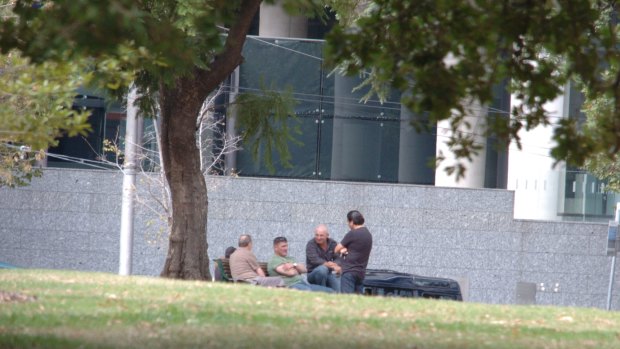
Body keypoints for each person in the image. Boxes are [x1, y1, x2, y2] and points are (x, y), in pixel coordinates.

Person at [268, 236, 333, 293]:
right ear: (275, 248)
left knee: (330, 291)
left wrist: (294, 265)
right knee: (308, 292)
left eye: (286, 246)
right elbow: (291, 273)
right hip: (290, 285)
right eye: (283, 246)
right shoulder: (274, 260)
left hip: (303, 283)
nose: (286, 248)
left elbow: (304, 269)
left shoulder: (290, 258)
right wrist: (296, 270)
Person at [335, 210, 373, 294]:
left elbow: (336, 249)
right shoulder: (368, 235)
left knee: (347, 300)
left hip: (349, 272)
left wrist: (342, 250)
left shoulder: (352, 234)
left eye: (348, 222)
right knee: (357, 302)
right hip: (361, 273)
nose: (348, 224)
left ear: (352, 221)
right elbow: (357, 249)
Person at [305, 224, 341, 292]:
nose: (318, 237)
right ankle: (323, 293)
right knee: (322, 269)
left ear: (327, 235)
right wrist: (329, 265)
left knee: (338, 289)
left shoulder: (333, 243)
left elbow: (338, 257)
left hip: (328, 273)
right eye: (317, 235)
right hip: (312, 273)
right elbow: (315, 260)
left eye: (321, 235)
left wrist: (336, 265)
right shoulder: (311, 244)